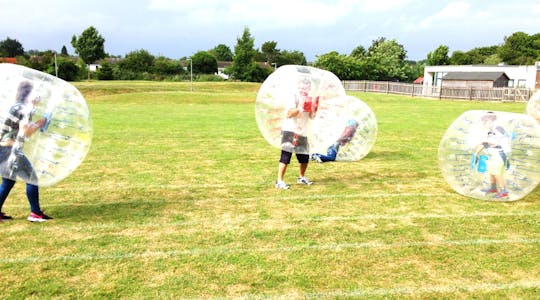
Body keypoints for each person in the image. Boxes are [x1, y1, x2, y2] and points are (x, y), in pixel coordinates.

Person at [0, 81, 51, 222]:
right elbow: (25, 132)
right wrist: (41, 123)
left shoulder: (16, 106)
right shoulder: (25, 109)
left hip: (2, 148)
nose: (39, 98)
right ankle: (35, 213)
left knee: (8, 181)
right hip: (10, 149)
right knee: (32, 178)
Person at [275, 76, 318, 189]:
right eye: (302, 87)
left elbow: (311, 117)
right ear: (298, 87)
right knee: (286, 156)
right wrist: (300, 107)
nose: (304, 89)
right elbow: (289, 114)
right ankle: (279, 181)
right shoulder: (293, 97)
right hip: (290, 130)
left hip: (302, 131)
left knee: (304, 156)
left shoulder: (310, 99)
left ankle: (301, 177)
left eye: (307, 87)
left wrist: (314, 109)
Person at [471, 111, 511, 199]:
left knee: (497, 173)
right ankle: (493, 188)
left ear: (491, 121)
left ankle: (504, 192)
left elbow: (496, 142)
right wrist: (476, 153)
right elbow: (484, 144)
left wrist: (486, 140)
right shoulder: (489, 132)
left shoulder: (499, 129)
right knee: (491, 172)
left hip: (500, 154)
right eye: (484, 122)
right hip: (492, 155)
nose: (485, 124)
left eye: (486, 122)